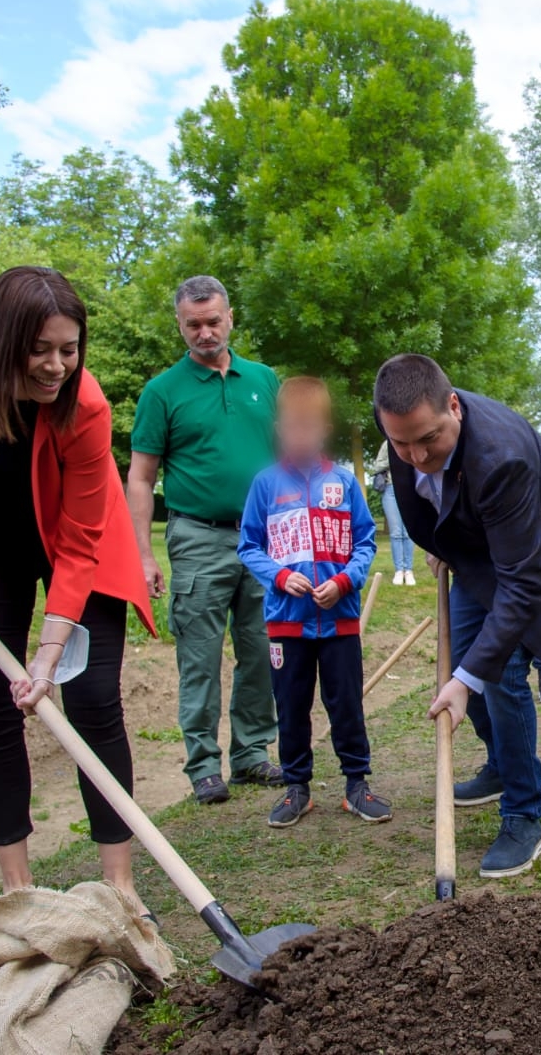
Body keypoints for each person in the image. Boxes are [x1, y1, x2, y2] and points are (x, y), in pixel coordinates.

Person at [0, 266, 154, 918]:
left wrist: (48, 654)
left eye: (69, 349)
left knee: (93, 700)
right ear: (0, 338)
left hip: (81, 543)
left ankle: (118, 885)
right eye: (39, 349)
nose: (55, 366)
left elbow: (77, 545)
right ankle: (17, 891)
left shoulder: (86, 404)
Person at [375, 353, 541, 877]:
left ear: (454, 408)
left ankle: (524, 814)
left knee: (496, 673)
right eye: (402, 443)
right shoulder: (400, 423)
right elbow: (426, 491)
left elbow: (522, 584)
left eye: (428, 440)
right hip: (477, 551)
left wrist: (466, 681)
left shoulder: (501, 456)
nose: (415, 455)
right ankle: (501, 766)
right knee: (468, 661)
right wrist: (442, 536)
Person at [127, 276, 284, 805]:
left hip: (264, 537)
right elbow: (141, 477)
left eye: (213, 321)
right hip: (197, 537)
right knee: (199, 656)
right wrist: (143, 553)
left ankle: (251, 754)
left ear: (230, 317)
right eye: (193, 324)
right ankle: (203, 764)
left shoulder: (264, 380)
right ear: (180, 325)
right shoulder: (162, 392)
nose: (205, 332)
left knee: (262, 649)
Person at [237, 377, 390, 829]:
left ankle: (357, 784)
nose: (301, 435)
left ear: (325, 430)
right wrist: (282, 577)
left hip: (339, 623)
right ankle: (296, 787)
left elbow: (365, 542)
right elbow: (249, 547)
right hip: (287, 625)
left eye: (311, 427)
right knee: (291, 705)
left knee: (346, 703)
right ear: (280, 429)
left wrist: (345, 581)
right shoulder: (265, 485)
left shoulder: (343, 483)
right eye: (292, 427)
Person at [371, 439, 417, 586]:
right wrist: (395, 458)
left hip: (409, 488)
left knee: (408, 533)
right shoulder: (387, 444)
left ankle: (408, 570)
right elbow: (377, 466)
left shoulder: (413, 439)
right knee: (396, 532)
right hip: (390, 489)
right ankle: (399, 570)